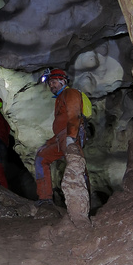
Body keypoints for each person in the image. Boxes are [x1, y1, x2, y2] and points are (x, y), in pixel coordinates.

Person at [34, 68, 84, 203]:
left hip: (70, 135)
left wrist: (71, 137)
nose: (52, 85)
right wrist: (48, 143)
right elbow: (60, 128)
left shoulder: (70, 93)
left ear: (63, 81)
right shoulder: (59, 98)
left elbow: (74, 114)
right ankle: (45, 198)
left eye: (54, 82)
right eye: (50, 83)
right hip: (60, 137)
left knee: (76, 166)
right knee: (41, 157)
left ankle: (81, 202)